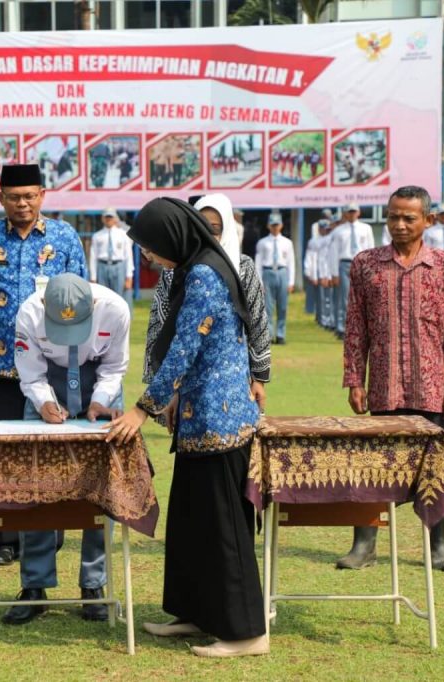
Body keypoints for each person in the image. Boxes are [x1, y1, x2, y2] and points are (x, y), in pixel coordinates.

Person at [109, 197, 266, 658]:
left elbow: (183, 349)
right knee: (192, 523)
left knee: (223, 530)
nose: (147, 256)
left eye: (150, 247)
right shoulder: (196, 267)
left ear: (172, 238)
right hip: (200, 420)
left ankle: (246, 634)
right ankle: (195, 613)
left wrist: (142, 409)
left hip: (220, 422)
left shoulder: (202, 274)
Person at [0, 163, 87, 567]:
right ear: (0, 198)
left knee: (51, 452)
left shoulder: (65, 238)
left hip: (52, 365)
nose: (23, 203)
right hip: (0, 364)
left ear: (42, 196)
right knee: (3, 454)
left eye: (30, 195)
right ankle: (5, 538)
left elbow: (83, 302)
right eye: (14, 196)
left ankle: (51, 531)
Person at [341, 185, 444, 573]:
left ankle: (438, 546)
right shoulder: (366, 264)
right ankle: (364, 545)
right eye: (393, 216)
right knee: (374, 464)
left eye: (408, 217)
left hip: (431, 387)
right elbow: (355, 327)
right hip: (383, 384)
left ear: (427, 221)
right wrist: (355, 379)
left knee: (433, 466)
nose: (399, 224)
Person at [3, 273, 129, 625]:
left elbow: (115, 367)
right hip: (48, 382)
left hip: (98, 381)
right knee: (38, 486)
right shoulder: (28, 312)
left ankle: (94, 586)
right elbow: (31, 375)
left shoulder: (116, 309)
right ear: (45, 307)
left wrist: (101, 403)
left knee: (101, 486)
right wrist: (44, 404)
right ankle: (34, 586)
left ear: (94, 306)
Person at [144, 193, 271, 411]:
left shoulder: (243, 268)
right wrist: (166, 389)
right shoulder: (173, 270)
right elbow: (161, 324)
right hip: (185, 376)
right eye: (201, 226)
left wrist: (258, 377)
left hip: (230, 376)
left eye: (215, 227)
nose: (208, 234)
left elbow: (257, 323)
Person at [328, 203, 375, 340]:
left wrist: (370, 268)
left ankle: (361, 328)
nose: (352, 214)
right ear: (345, 214)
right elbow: (334, 252)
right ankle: (342, 328)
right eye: (349, 212)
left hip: (361, 264)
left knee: (362, 298)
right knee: (344, 297)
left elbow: (370, 249)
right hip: (344, 263)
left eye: (354, 211)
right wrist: (334, 273)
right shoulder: (338, 231)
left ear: (359, 213)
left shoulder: (366, 228)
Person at [255, 212, 295, 344]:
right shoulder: (263, 243)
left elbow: (291, 262)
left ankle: (281, 334)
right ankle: (269, 334)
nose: (275, 227)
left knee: (282, 306)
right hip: (268, 273)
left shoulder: (287, 242)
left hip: (282, 272)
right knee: (268, 306)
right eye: (272, 225)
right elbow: (258, 262)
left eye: (277, 225)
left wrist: (291, 281)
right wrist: (259, 281)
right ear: (268, 226)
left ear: (281, 225)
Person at [88, 208, 134, 298]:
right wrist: (93, 276)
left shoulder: (123, 235)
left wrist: (129, 276)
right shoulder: (97, 236)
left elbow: (128, 256)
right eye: (106, 217)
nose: (108, 219)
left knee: (120, 297)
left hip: (119, 266)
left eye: (111, 217)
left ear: (115, 218)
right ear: (102, 218)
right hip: (102, 267)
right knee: (103, 297)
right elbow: (93, 257)